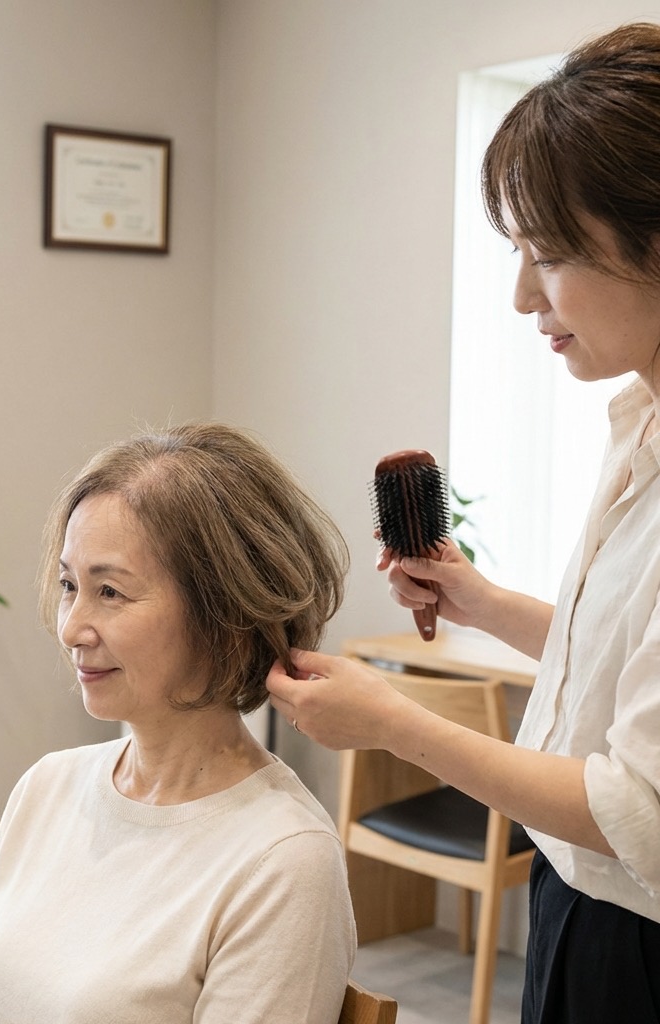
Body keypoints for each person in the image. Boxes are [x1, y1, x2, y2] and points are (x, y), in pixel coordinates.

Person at [267, 21, 660, 1024]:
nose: (522, 293)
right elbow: (618, 659)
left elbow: (639, 811)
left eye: (549, 254)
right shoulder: (638, 425)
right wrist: (480, 601)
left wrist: (395, 726)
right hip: (570, 894)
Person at [0, 422, 356, 1024]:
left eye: (110, 592)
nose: (71, 628)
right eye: (69, 585)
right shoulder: (46, 787)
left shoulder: (283, 863)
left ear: (224, 614)